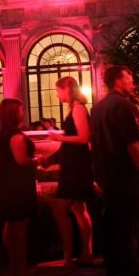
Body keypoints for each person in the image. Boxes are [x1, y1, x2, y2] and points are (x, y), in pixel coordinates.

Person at [90, 66, 139, 276]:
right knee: (129, 224)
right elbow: (131, 142)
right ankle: (130, 273)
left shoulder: (98, 108)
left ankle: (113, 266)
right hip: (125, 173)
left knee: (112, 222)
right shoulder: (122, 106)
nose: (133, 83)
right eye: (130, 78)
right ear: (118, 80)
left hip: (106, 174)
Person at [49, 76, 95, 266]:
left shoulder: (77, 109)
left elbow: (84, 138)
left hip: (76, 169)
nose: (57, 94)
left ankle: (70, 255)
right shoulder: (75, 109)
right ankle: (85, 253)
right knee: (78, 209)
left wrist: (59, 138)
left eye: (58, 90)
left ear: (67, 89)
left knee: (61, 210)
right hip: (76, 167)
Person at [0, 99, 37, 275]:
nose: (22, 112)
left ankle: (11, 263)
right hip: (18, 184)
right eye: (20, 110)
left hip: (4, 181)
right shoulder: (17, 137)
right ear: (14, 114)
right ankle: (21, 265)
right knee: (20, 225)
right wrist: (35, 160)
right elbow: (21, 160)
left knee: (9, 223)